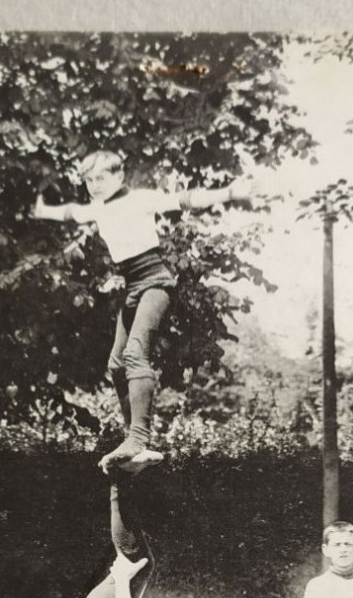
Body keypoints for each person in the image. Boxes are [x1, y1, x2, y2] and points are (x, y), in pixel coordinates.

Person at [33, 150, 253, 474]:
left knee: (136, 354)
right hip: (133, 287)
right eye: (89, 180)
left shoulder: (138, 199)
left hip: (156, 284)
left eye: (101, 178)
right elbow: (71, 212)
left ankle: (139, 437)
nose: (94, 185)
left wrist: (231, 192)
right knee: (117, 363)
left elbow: (186, 198)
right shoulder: (97, 208)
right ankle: (132, 442)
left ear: (119, 176)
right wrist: (42, 210)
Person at [56, 474, 281, 598]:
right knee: (141, 564)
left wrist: (124, 581)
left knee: (139, 562)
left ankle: (120, 476)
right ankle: (121, 477)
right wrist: (126, 582)